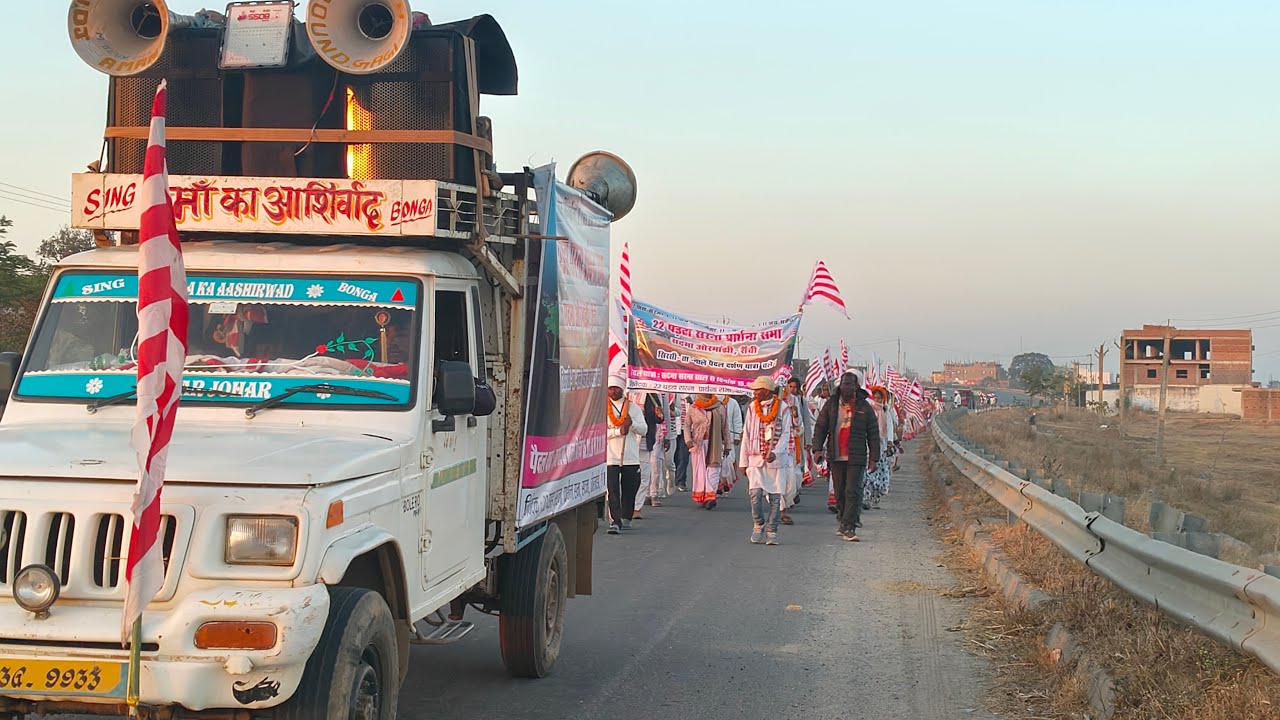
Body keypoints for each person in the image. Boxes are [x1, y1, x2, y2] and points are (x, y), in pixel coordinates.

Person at [812, 371, 880, 542]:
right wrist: (817, 449)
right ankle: (843, 520)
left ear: (857, 386)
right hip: (835, 456)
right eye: (843, 384)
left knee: (853, 491)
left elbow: (873, 434)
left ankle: (849, 526)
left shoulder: (865, 407)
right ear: (839, 386)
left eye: (849, 384)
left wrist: (874, 458)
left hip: (856, 457)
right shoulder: (831, 405)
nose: (846, 387)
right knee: (840, 491)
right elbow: (820, 427)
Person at [741, 376, 793, 545]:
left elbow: (786, 434)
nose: (754, 393)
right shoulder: (751, 408)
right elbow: (747, 435)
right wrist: (743, 462)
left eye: (758, 390)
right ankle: (758, 524)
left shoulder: (783, 409)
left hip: (776, 461)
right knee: (754, 495)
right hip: (756, 459)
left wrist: (776, 453)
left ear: (767, 391)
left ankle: (772, 530)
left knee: (775, 498)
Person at [606, 376, 648, 534]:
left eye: (616, 388)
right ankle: (615, 521)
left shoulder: (633, 408)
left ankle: (626, 516)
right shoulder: (603, 408)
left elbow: (644, 430)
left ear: (622, 389)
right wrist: (618, 431)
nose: (613, 391)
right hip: (611, 457)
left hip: (630, 456)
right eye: (610, 388)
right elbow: (599, 432)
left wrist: (632, 424)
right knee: (613, 490)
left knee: (630, 488)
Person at [685, 393, 731, 509]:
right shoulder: (694, 407)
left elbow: (725, 427)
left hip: (715, 442)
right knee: (700, 470)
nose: (707, 392)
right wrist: (688, 441)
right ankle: (703, 495)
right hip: (698, 443)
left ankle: (710, 496)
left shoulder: (719, 407)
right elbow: (686, 425)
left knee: (713, 468)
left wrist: (727, 445)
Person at [634, 391, 667, 518]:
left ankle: (637, 507)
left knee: (645, 475)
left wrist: (660, 415)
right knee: (628, 477)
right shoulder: (628, 393)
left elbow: (659, 418)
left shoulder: (653, 395)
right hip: (627, 442)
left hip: (647, 440)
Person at [864, 387, 894, 511]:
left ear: (883, 399)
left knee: (879, 474)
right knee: (867, 474)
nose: (877, 400)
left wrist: (890, 442)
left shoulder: (886, 412)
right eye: (875, 398)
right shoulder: (868, 410)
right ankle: (866, 498)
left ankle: (875, 498)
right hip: (868, 447)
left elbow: (889, 427)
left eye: (879, 398)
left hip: (880, 448)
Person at [720, 394, 744, 491]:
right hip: (716, 437)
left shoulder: (733, 403)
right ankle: (718, 484)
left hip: (730, 437)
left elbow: (737, 420)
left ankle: (727, 482)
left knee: (729, 460)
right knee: (717, 462)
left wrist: (737, 435)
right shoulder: (711, 400)